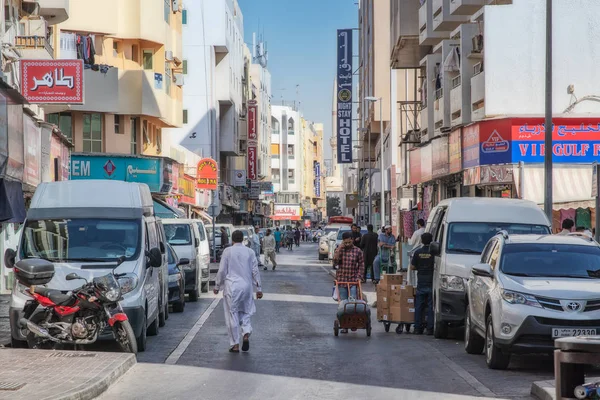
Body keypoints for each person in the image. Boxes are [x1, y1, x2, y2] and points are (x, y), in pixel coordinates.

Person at [214, 230, 263, 352]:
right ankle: (246, 332)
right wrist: (259, 289)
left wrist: (217, 286)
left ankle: (235, 344)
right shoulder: (250, 252)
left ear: (232, 240)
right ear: (243, 239)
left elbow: (222, 271)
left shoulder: (227, 251)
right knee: (246, 312)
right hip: (246, 287)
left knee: (233, 314)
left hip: (232, 287)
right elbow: (255, 271)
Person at [333, 231, 364, 334]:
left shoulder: (358, 251)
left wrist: (359, 277)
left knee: (353, 302)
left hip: (353, 280)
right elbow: (335, 262)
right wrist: (340, 249)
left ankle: (353, 322)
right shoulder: (340, 250)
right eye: (345, 243)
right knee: (343, 303)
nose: (347, 244)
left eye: (349, 242)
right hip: (342, 280)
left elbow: (361, 265)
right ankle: (345, 325)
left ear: (352, 240)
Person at [411, 232, 435, 335]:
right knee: (430, 306)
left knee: (419, 305)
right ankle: (430, 328)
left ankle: (417, 328)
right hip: (431, 281)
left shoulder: (417, 252)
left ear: (421, 240)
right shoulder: (434, 253)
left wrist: (419, 268)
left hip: (421, 281)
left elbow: (412, 267)